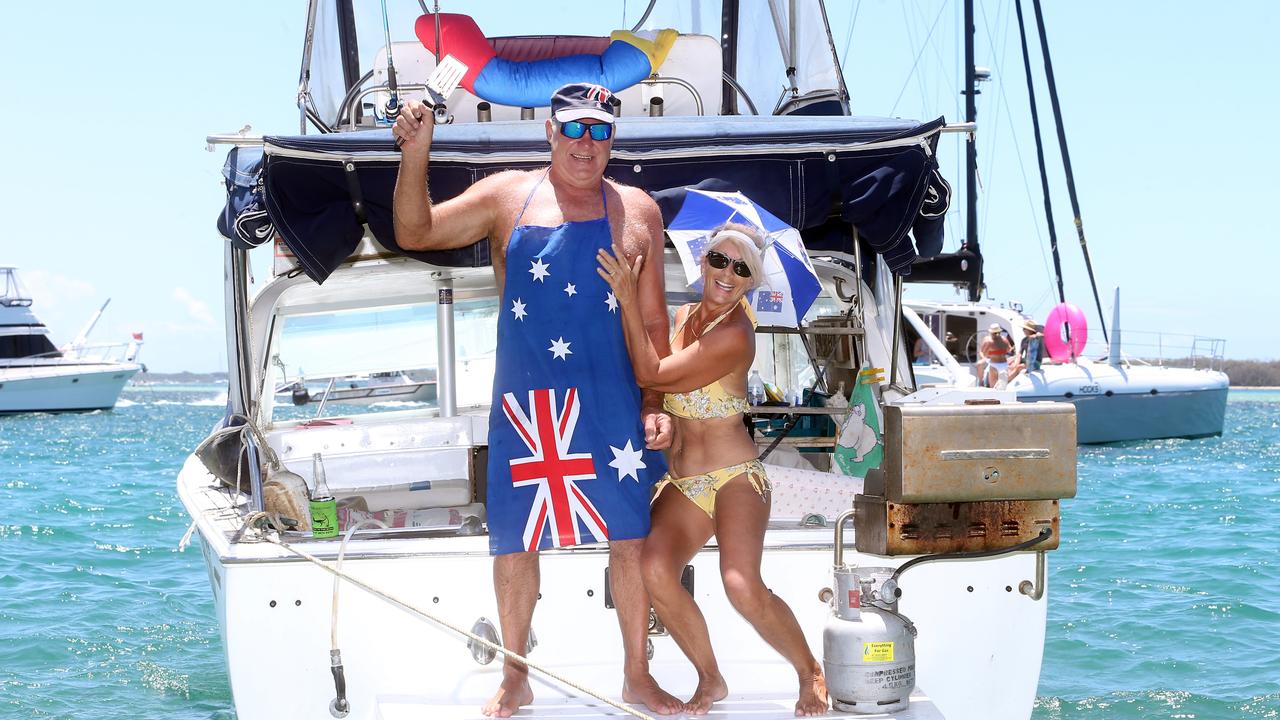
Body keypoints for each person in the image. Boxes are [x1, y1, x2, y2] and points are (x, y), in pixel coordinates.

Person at [392, 82, 682, 717]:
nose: (585, 143)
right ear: (549, 132)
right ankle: (515, 673)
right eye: (572, 128)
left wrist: (655, 399)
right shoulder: (506, 196)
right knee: (515, 539)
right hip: (529, 405)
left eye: (599, 131)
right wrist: (416, 154)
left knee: (629, 536)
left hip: (613, 396)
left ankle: (637, 672)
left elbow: (657, 321)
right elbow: (415, 230)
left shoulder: (639, 211)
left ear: (613, 140)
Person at [597, 223, 830, 717]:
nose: (728, 273)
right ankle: (711, 677)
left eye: (742, 268)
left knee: (741, 583)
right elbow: (657, 390)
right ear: (703, 261)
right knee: (655, 568)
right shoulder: (684, 317)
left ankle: (810, 670)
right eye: (720, 261)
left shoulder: (736, 334)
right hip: (684, 481)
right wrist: (654, 414)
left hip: (735, 477)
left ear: (750, 282)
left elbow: (650, 371)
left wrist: (627, 298)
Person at [977, 322, 1012, 388]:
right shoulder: (1003, 339)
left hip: (995, 364)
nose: (996, 334)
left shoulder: (988, 340)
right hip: (1001, 364)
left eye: (997, 333)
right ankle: (982, 383)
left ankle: (981, 383)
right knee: (980, 364)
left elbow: (982, 352)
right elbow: (1008, 350)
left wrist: (991, 354)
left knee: (993, 387)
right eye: (995, 333)